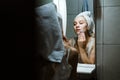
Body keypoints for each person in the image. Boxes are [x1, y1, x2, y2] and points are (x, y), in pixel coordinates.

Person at [63, 11, 95, 80]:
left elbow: (90, 67)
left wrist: (81, 48)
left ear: (88, 26)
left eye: (81, 23)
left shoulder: (94, 43)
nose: (77, 25)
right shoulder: (72, 41)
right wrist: (66, 45)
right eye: (74, 24)